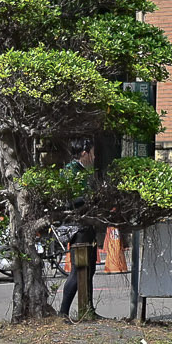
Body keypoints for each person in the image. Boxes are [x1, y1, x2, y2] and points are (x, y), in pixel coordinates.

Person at [53, 137, 98, 320]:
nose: (94, 157)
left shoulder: (83, 171)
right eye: (92, 153)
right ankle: (63, 312)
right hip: (77, 227)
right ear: (85, 153)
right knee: (78, 269)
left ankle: (88, 309)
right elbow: (69, 201)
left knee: (90, 269)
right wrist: (90, 198)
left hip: (87, 224)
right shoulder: (71, 171)